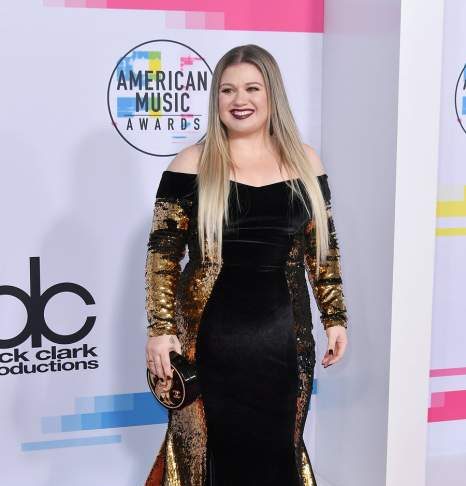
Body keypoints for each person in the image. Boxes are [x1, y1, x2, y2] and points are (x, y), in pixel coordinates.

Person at [144, 44, 349, 486]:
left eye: (252, 88)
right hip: (209, 340)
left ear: (272, 94)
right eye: (228, 90)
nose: (240, 100)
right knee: (208, 456)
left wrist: (334, 317)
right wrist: (160, 329)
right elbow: (162, 254)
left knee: (278, 450)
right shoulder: (192, 163)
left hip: (284, 339)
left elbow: (323, 249)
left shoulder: (306, 161)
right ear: (216, 98)